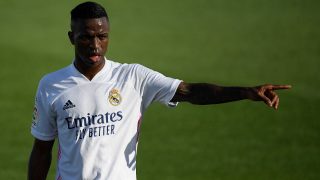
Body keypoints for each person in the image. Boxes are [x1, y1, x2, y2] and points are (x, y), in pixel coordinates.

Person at [28, 1, 291, 180]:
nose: (95, 45)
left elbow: (189, 91)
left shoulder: (133, 77)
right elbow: (42, 149)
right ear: (71, 37)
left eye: (102, 36)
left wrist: (245, 92)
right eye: (86, 36)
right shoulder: (51, 86)